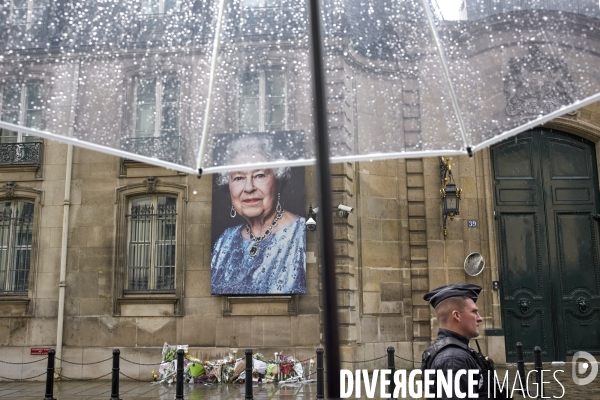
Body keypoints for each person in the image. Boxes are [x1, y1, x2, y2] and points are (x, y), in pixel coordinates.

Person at [211, 134, 306, 295]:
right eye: (239, 177)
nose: (249, 188)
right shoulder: (224, 241)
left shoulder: (301, 234)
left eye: (259, 175)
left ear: (278, 179)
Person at [422, 283, 506, 400]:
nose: (480, 318)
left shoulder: (454, 353)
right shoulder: (453, 359)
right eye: (474, 312)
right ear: (457, 315)